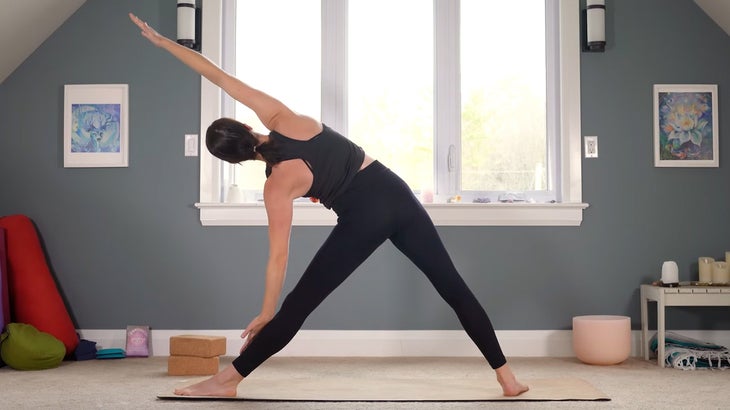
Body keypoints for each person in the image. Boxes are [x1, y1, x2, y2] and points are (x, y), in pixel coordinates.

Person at [129, 13, 528, 398]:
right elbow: (218, 76)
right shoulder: (282, 117)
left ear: (235, 162)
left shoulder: (277, 187)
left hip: (363, 216)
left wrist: (268, 312)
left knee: (297, 306)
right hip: (394, 191)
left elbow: (278, 257)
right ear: (247, 126)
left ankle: (227, 379)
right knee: (453, 287)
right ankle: (507, 378)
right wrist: (164, 43)